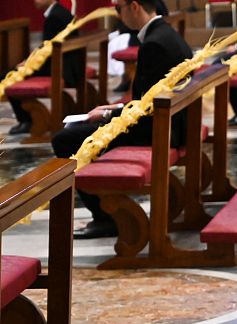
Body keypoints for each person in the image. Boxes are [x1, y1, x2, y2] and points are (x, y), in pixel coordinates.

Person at [51, 0, 193, 239]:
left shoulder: (155, 44)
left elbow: (144, 110)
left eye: (118, 8)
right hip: (169, 121)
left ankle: (105, 217)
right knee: (83, 129)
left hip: (158, 129)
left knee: (64, 140)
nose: (118, 14)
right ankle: (105, 212)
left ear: (134, 6)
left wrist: (107, 115)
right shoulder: (166, 34)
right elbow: (145, 100)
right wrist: (115, 107)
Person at [8, 0, 79, 135]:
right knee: (16, 71)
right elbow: (48, 47)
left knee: (9, 77)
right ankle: (28, 119)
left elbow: (49, 52)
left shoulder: (55, 17)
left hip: (58, 68)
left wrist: (29, 64)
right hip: (66, 64)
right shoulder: (60, 12)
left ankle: (27, 121)